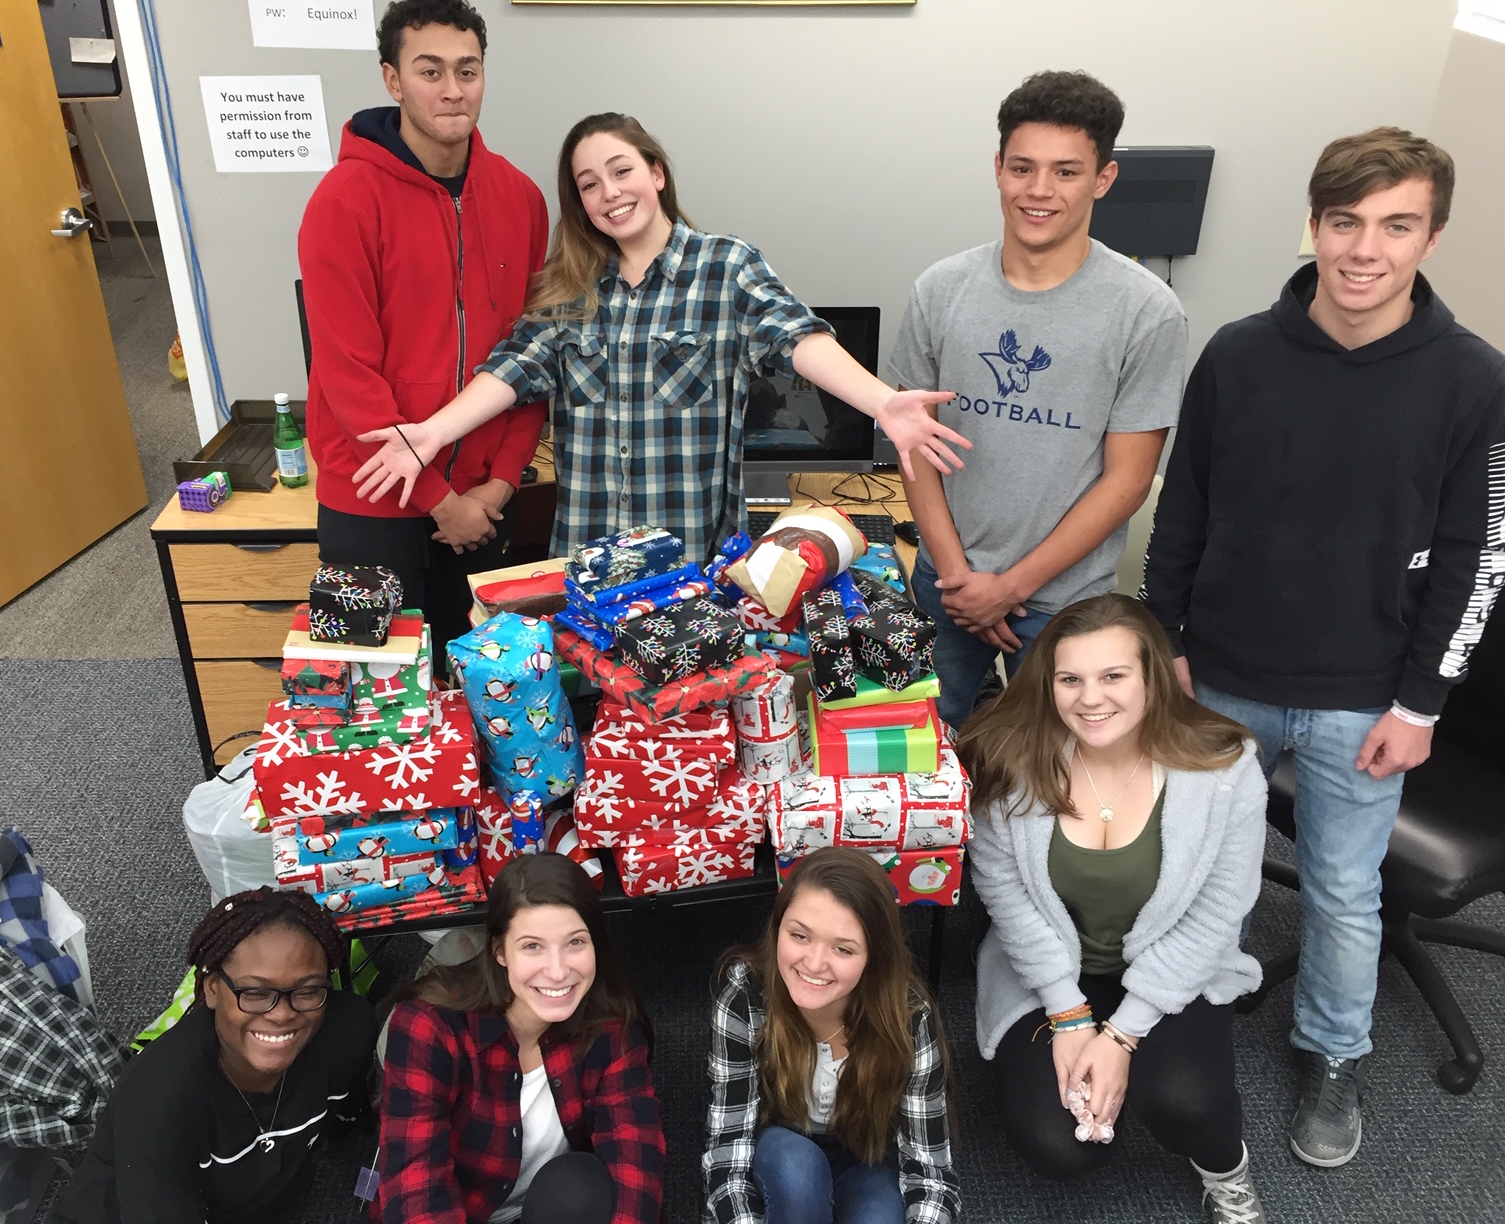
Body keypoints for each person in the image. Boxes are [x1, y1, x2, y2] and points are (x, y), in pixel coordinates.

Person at [1141, 127, 1505, 1168]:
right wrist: (1164, 633)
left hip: (1368, 693)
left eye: (1397, 225)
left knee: (1347, 892)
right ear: (1314, 225)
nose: (1366, 248)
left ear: (1431, 238)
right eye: (1346, 221)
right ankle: (1181, 1020)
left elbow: (1480, 553)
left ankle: (1335, 1053)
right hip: (1222, 672)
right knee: (1196, 865)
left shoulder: (1475, 379)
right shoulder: (1237, 353)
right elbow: (1187, 504)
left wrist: (1423, 704)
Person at [347, 112, 970, 566]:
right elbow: (511, 371)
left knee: (686, 744)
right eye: (589, 184)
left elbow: (795, 336)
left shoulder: (725, 267)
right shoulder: (571, 290)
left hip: (689, 578)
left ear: (657, 172)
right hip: (587, 575)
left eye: (621, 171)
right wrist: (433, 432)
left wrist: (881, 402)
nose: (610, 192)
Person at [886, 71, 1188, 730]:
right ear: (998, 169)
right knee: (924, 764)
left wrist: (1011, 588)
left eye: (1066, 172)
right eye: (1022, 167)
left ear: (1102, 179)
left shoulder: (1146, 312)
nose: (1040, 191)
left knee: (1050, 780)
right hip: (946, 586)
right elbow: (915, 448)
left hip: (1063, 603)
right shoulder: (941, 290)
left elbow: (1128, 482)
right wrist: (963, 584)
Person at [959, 594, 1268, 1223]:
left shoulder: (1226, 769)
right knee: (1058, 1148)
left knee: (1186, 1102)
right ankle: (1108, 1090)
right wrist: (1069, 1015)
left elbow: (1215, 917)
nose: (1089, 698)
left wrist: (1123, 1035)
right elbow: (1004, 893)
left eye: (1112, 676)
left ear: (1152, 676)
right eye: (1070, 679)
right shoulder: (1011, 758)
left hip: (1172, 971)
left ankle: (1225, 1171)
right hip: (1051, 972)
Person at [298, 0, 549, 650]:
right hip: (372, 500)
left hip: (483, 496)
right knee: (377, 692)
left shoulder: (520, 198)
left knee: (485, 684)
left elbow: (531, 353)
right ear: (393, 80)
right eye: (429, 71)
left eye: (468, 71)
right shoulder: (343, 202)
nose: (452, 90)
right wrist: (441, 501)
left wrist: (499, 484)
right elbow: (349, 378)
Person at [53, 889, 376, 1224]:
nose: (281, 1014)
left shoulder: (349, 1033)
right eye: (254, 993)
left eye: (307, 990)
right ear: (211, 988)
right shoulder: (158, 1097)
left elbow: (346, 1119)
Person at [376, 853, 663, 1224]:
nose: (558, 971)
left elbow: (635, 1159)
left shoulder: (609, 1023)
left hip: (549, 1207)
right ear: (499, 951)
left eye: (575, 942)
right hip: (457, 1213)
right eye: (532, 946)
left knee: (582, 1188)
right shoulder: (428, 1026)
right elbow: (415, 1185)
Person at [702, 847, 959, 1224]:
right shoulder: (746, 995)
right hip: (779, 1146)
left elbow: (931, 1173)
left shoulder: (909, 1015)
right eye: (800, 936)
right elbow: (728, 1155)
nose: (814, 963)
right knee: (797, 1173)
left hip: (864, 1154)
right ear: (778, 927)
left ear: (875, 956)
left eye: (843, 948)